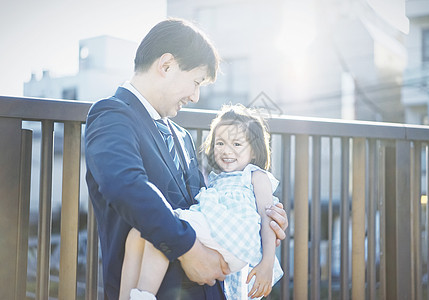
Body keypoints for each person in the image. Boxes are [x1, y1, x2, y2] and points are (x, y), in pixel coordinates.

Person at [85, 18, 288, 300]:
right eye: (195, 82)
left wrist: (263, 213)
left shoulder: (180, 135)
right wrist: (188, 248)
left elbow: (206, 206)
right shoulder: (112, 114)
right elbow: (125, 185)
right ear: (166, 65)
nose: (195, 96)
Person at [119, 104, 283, 300]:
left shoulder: (256, 176)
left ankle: (144, 295)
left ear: (254, 151)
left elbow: (268, 220)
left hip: (234, 238)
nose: (226, 151)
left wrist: (267, 263)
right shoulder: (216, 179)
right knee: (137, 234)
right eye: (220, 143)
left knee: (164, 229)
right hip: (220, 234)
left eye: (237, 144)